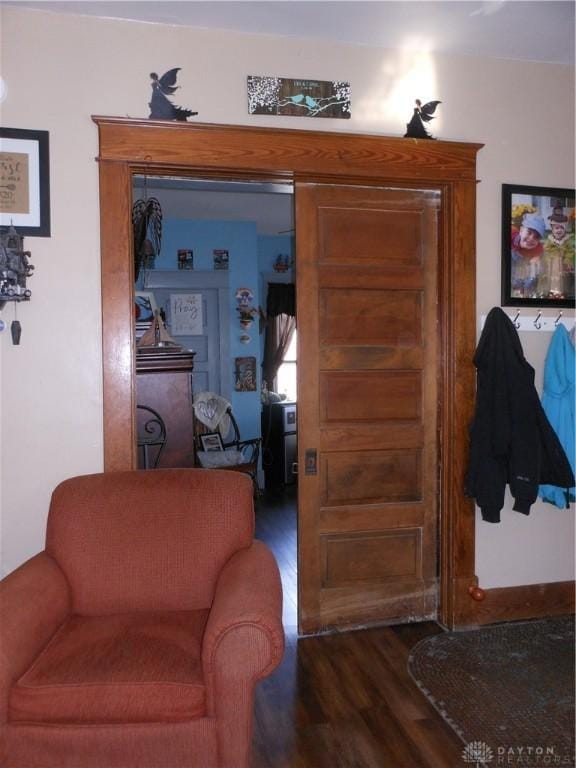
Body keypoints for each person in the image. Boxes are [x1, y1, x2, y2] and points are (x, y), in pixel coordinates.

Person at [538, 205, 575, 299]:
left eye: (561, 228)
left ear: (565, 229)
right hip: (552, 263)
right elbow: (546, 250)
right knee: (552, 279)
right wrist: (547, 259)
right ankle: (552, 292)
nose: (559, 230)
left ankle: (562, 292)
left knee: (563, 279)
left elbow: (570, 251)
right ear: (552, 230)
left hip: (563, 264)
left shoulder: (567, 241)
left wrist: (567, 260)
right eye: (556, 228)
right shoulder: (549, 240)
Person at [510, 212, 546, 298]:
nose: (531, 239)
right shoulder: (511, 236)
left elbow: (536, 273)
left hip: (524, 274)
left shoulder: (538, 249)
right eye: (529, 232)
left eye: (536, 237)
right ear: (521, 230)